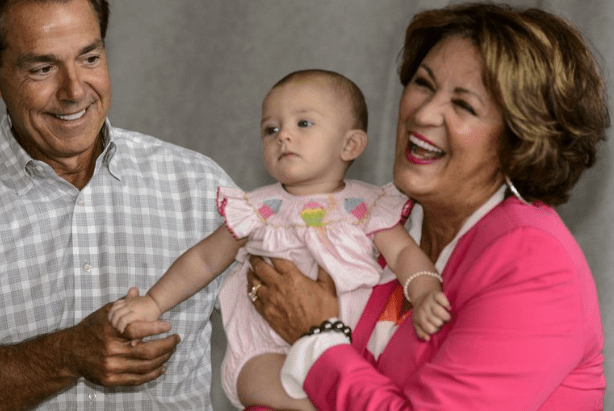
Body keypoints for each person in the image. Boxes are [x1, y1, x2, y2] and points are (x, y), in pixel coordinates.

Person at [244, 3, 609, 410]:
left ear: (520, 143)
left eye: (464, 105)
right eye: (423, 83)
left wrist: (316, 335)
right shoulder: (378, 217)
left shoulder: (533, 262)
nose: (423, 113)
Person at [108, 69, 451, 410]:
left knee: (380, 376)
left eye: (303, 124)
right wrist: (153, 302)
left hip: (352, 347)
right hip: (267, 350)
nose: (283, 136)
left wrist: (424, 292)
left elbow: (404, 253)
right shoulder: (257, 209)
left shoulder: (367, 206)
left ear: (350, 144)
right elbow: (203, 260)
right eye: (271, 129)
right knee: (262, 380)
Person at [0, 0, 235, 409]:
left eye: (89, 58)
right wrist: (65, 356)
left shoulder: (199, 188)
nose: (74, 91)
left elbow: (288, 333)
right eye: (42, 68)